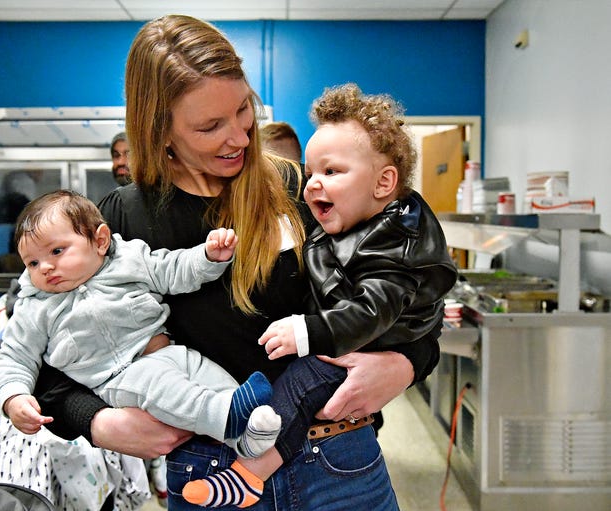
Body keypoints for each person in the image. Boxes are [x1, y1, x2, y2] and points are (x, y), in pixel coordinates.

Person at [31, 15, 443, 511]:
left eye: (243, 110)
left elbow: (407, 290)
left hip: (338, 457)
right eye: (210, 126)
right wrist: (98, 422)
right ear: (159, 130)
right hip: (210, 470)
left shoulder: (302, 190)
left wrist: (405, 364)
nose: (241, 138)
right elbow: (41, 347)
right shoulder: (121, 220)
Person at [181, 83, 458, 507]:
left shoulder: (393, 240)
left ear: (384, 181)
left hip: (346, 375)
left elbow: (372, 311)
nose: (310, 185)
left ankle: (250, 473)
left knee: (298, 386)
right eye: (310, 173)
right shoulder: (354, 219)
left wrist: (308, 331)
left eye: (330, 172)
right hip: (210, 442)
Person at [0, 190, 282, 465]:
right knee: (169, 389)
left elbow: (171, 269)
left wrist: (207, 257)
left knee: (215, 380)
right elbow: (15, 356)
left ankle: (246, 439)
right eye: (32, 262)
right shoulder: (34, 307)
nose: (44, 267)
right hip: (120, 378)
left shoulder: (129, 260)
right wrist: (13, 397)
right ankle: (226, 416)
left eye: (57, 251)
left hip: (173, 352)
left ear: (100, 241)